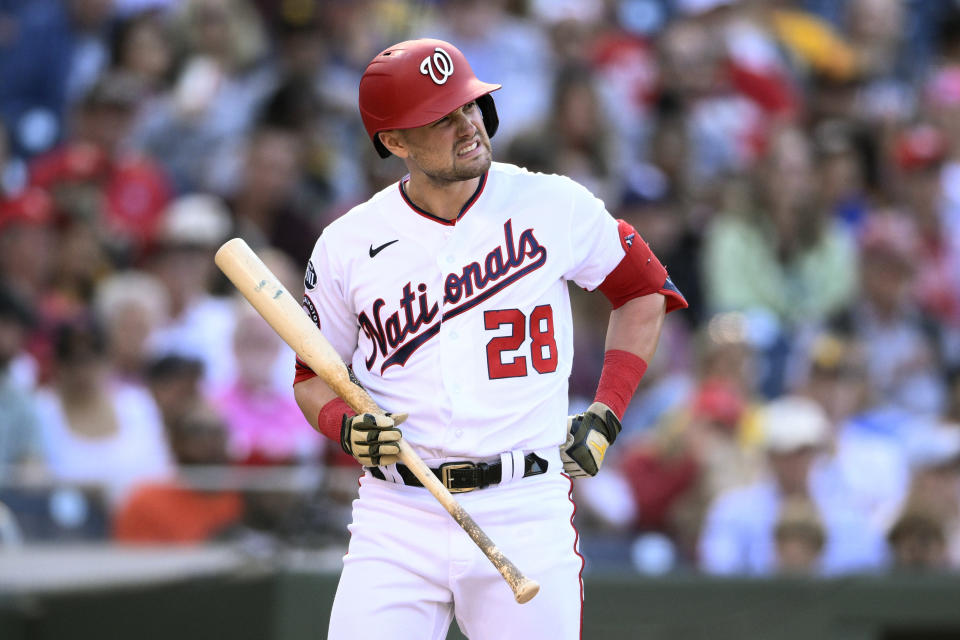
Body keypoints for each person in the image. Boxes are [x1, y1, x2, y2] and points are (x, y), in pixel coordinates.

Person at [292, 39, 686, 640]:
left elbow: (643, 291)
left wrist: (607, 411)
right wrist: (344, 427)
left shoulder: (554, 203)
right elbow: (312, 378)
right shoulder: (348, 242)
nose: (467, 125)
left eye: (470, 106)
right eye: (441, 117)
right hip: (399, 513)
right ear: (395, 142)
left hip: (524, 503)